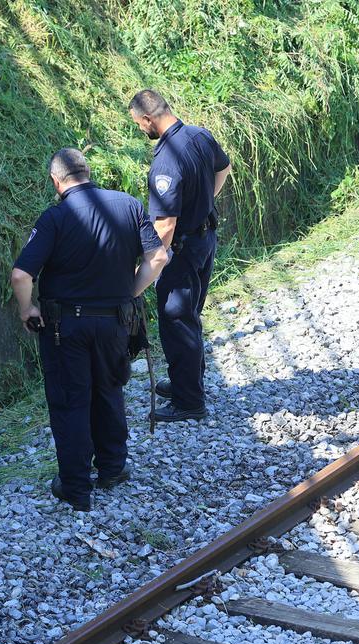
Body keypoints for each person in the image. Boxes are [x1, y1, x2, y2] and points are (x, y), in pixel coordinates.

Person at [11, 148, 168, 511]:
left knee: (71, 401)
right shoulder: (128, 205)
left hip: (65, 327)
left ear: (56, 181)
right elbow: (158, 257)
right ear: (87, 171)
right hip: (115, 321)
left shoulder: (55, 218)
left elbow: (21, 275)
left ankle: (77, 487)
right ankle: (112, 468)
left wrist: (27, 308)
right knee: (109, 390)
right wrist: (126, 292)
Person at [128, 89, 232, 421]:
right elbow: (224, 168)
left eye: (139, 124)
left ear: (148, 119)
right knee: (190, 314)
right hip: (206, 238)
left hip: (183, 250)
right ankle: (186, 381)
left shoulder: (166, 162)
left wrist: (150, 265)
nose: (141, 131)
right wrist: (203, 204)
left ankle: (189, 402)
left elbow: (166, 225)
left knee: (177, 321)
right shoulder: (199, 135)